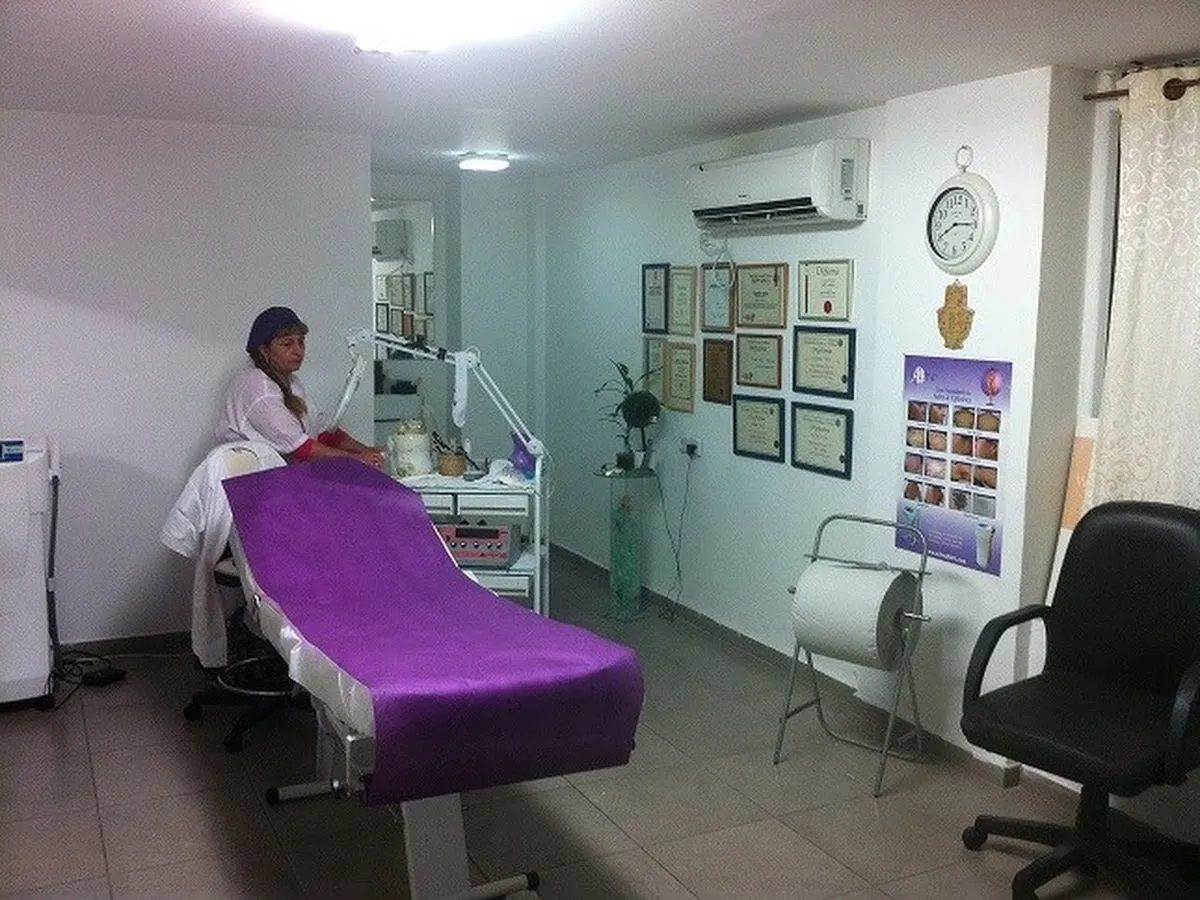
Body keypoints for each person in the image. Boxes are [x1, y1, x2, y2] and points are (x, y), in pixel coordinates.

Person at [217, 306, 385, 468]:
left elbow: (323, 432)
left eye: (301, 342)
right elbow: (300, 447)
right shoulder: (257, 387)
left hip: (281, 473)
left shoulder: (291, 382)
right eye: (287, 344)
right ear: (264, 350)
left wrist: (367, 450)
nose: (298, 350)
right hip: (249, 479)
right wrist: (357, 459)